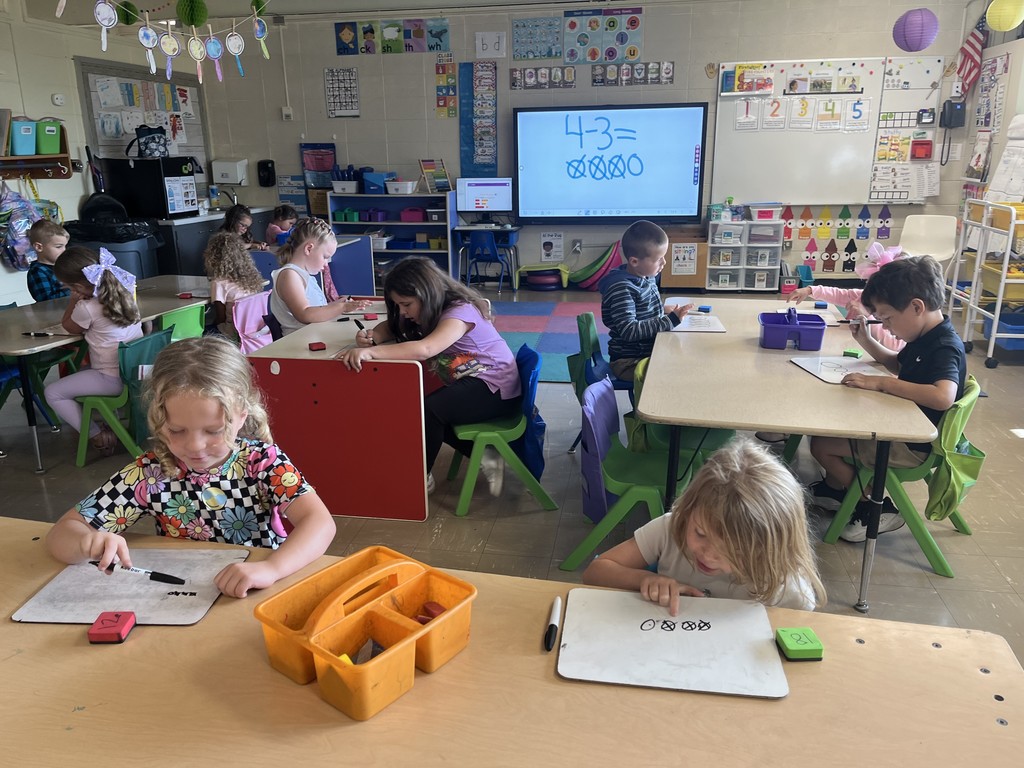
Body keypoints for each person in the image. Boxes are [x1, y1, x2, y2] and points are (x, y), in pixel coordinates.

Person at [45, 336, 337, 599]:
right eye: (177, 430)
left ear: (241, 416)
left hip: (259, 590)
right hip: (182, 593)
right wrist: (87, 542)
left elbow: (320, 523)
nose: (195, 446)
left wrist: (272, 568)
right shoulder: (150, 474)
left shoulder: (262, 462)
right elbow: (62, 533)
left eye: (213, 430)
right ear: (159, 420)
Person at [808, 255, 966, 542]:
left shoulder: (944, 345)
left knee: (821, 444)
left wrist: (880, 384)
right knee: (828, 427)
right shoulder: (924, 336)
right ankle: (836, 489)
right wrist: (867, 341)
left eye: (888, 319)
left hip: (913, 444)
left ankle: (875, 506)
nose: (887, 327)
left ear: (917, 307)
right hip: (903, 424)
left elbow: (943, 396)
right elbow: (898, 365)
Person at [340, 257, 521, 495]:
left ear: (426, 293)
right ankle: (488, 456)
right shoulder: (432, 309)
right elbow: (393, 326)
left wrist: (370, 352)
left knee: (428, 412)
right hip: (481, 382)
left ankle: (420, 477)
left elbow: (426, 348)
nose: (402, 312)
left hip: (495, 388)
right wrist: (373, 336)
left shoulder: (459, 312)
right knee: (428, 412)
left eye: (406, 304)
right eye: (398, 306)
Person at [583, 439, 826, 614]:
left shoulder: (787, 588)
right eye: (700, 533)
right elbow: (596, 571)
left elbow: (797, 644)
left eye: (735, 551)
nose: (708, 555)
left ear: (769, 548)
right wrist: (644, 579)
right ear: (689, 508)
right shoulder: (673, 526)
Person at [44, 246, 143, 454]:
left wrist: (73, 300)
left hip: (112, 380)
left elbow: (69, 326)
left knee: (53, 392)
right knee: (82, 373)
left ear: (78, 286)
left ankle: (96, 435)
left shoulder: (87, 307)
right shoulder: (125, 288)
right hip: (137, 372)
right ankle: (109, 423)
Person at [598, 220, 693, 381]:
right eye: (658, 259)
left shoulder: (645, 276)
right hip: (628, 362)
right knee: (677, 373)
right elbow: (629, 330)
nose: (663, 263)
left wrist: (662, 309)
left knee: (684, 359)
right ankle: (649, 407)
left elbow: (641, 307)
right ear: (634, 261)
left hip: (647, 353)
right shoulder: (622, 288)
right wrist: (670, 320)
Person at [786, 242, 905, 351]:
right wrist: (810, 290)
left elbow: (894, 346)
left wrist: (866, 317)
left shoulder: (903, 315)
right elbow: (841, 294)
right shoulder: (867, 296)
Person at [269, 217, 367, 336]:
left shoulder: (305, 275)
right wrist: (342, 307)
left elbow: (318, 310)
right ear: (309, 249)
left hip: (314, 336)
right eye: (325, 257)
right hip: (299, 343)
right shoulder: (290, 275)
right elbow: (305, 314)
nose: (326, 264)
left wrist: (339, 303)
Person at [203, 231, 265, 341]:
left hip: (232, 332)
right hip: (252, 330)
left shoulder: (219, 283)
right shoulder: (251, 278)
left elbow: (220, 318)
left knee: (202, 329)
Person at [25, 219, 70, 301]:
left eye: (65, 246)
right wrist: (74, 290)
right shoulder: (37, 271)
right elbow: (46, 301)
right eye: (59, 246)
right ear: (39, 247)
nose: (64, 250)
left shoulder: (63, 266)